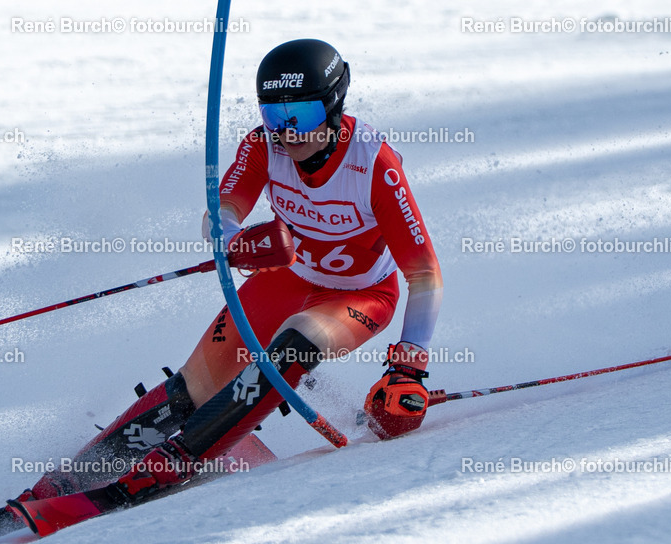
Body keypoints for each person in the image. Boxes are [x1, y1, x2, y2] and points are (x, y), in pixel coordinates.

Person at [24, 38, 443, 506]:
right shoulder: (265, 147)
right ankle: (67, 482)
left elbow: (424, 275)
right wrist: (229, 237)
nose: (289, 133)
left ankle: (165, 470)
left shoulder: (373, 165)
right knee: (192, 390)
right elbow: (221, 210)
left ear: (331, 106)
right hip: (287, 279)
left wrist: (409, 365)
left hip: (361, 295)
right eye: (274, 117)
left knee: (295, 342)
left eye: (301, 116)